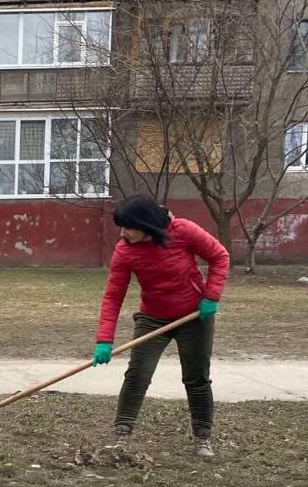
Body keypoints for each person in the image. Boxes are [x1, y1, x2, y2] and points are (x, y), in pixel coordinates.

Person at [91, 195, 230, 458]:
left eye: (128, 227)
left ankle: (202, 437)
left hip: (194, 317)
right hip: (152, 317)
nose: (123, 233)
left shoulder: (184, 231)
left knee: (196, 378)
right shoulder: (125, 250)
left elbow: (219, 256)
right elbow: (113, 295)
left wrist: (211, 296)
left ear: (146, 225)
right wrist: (104, 340)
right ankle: (122, 433)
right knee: (137, 375)